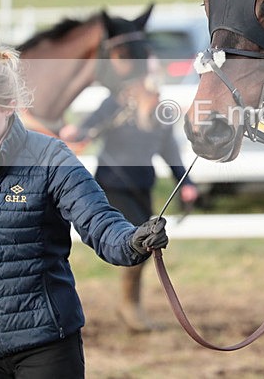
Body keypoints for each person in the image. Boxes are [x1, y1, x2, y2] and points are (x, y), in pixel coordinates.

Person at [0, 44, 169, 379]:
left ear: (8, 107)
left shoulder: (50, 158)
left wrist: (133, 241)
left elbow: (99, 222)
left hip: (48, 345)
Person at [59, 75, 198, 333]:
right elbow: (89, 126)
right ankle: (129, 306)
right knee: (138, 243)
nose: (153, 96)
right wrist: (76, 132)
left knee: (144, 246)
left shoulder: (158, 120)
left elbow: (171, 153)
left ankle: (129, 304)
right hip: (113, 187)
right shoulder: (115, 106)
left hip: (141, 188)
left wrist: (186, 182)